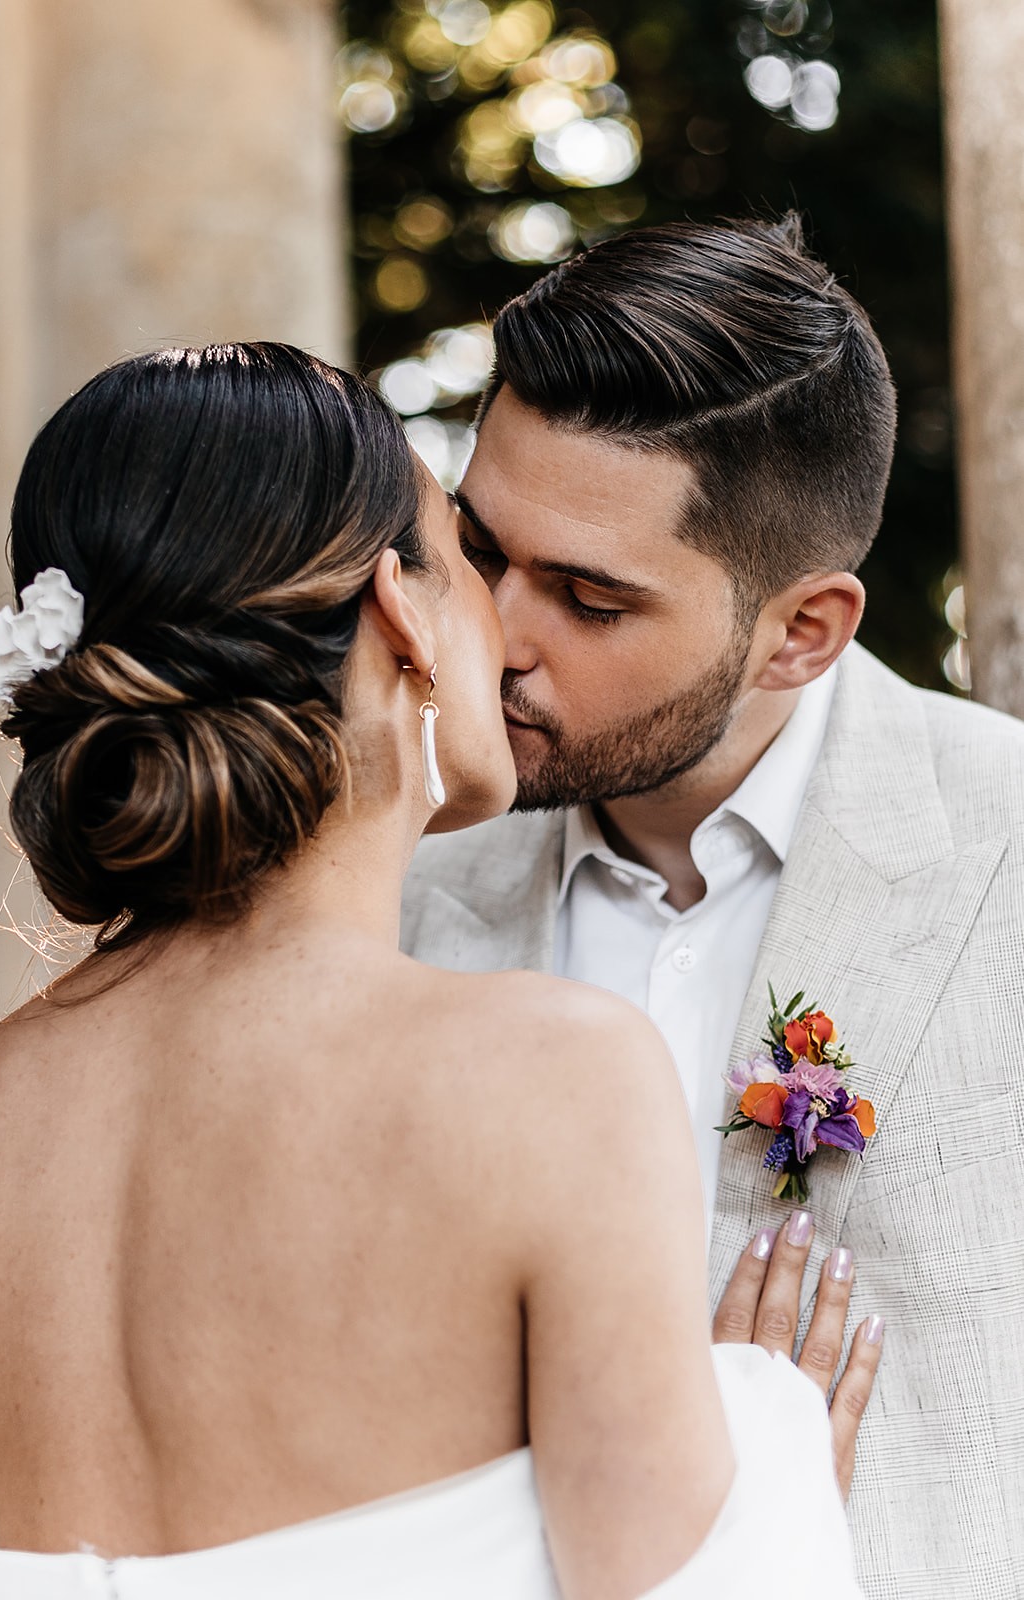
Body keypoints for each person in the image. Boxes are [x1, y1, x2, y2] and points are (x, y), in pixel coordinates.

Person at [0, 342, 874, 1599]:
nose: (508, 631)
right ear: (401, 611)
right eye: (469, 556)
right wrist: (767, 1461)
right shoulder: (552, 1074)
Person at [400, 215, 1024, 1600]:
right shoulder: (386, 891)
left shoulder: (1007, 852)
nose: (492, 636)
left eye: (586, 599)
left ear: (799, 633)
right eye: (479, 550)